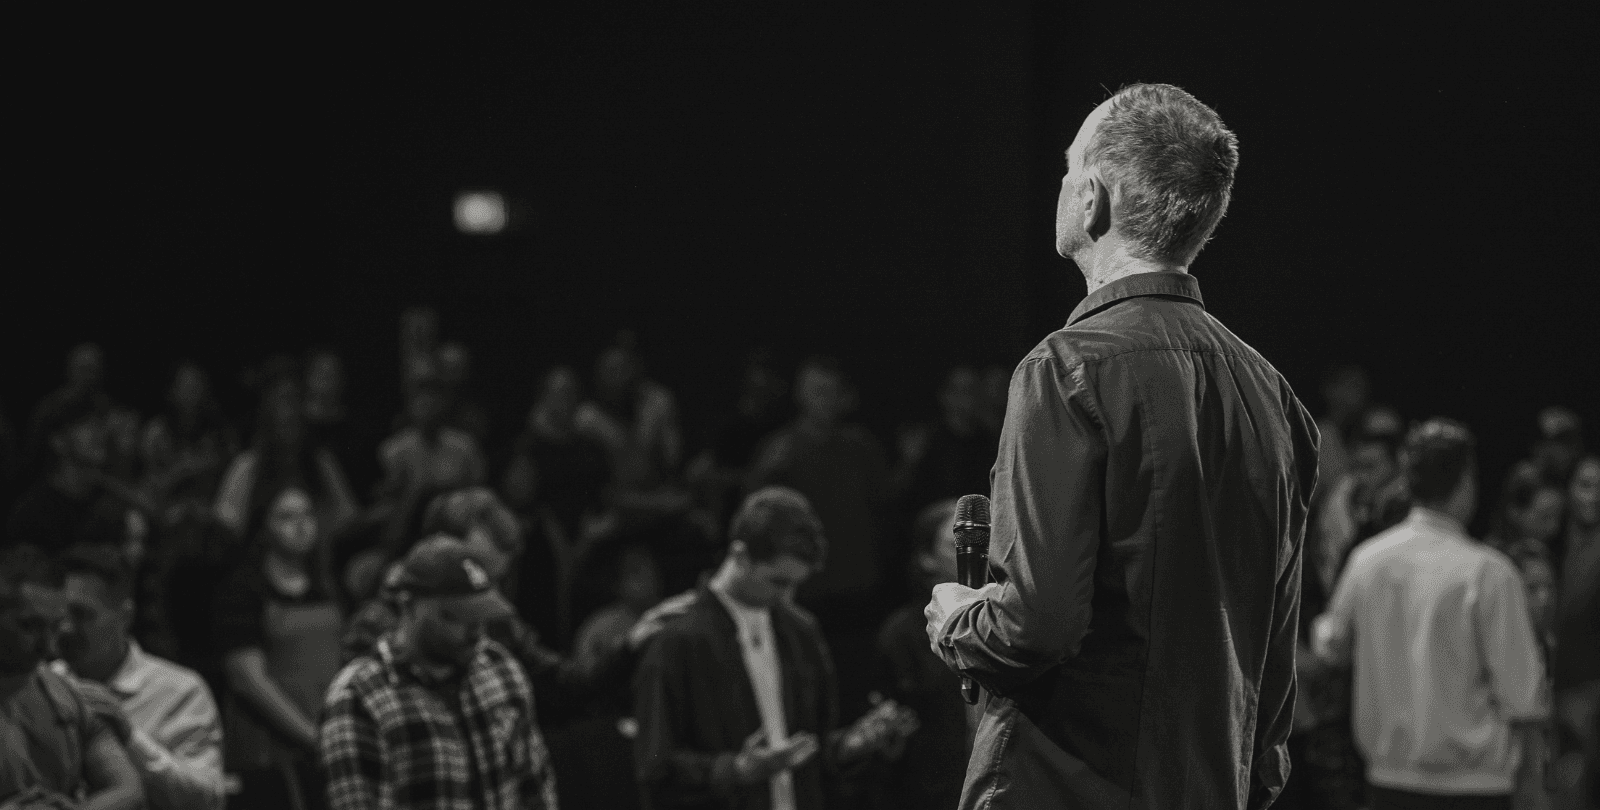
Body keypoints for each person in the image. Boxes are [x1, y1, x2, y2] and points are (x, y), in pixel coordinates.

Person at [922, 83, 1318, 809]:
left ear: (1093, 199)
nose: (1063, 185)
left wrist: (958, 622)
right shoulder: (1275, 396)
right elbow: (1273, 654)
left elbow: (1033, 628)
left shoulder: (1065, 369)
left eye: (1068, 169)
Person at [633, 486, 918, 810]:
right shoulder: (677, 641)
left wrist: (852, 745)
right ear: (740, 556)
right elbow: (653, 767)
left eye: (796, 584)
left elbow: (812, 750)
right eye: (777, 582)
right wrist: (735, 770)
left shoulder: (800, 632)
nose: (788, 597)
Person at [1313, 419, 1549, 809]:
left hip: (1387, 780)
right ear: (1466, 479)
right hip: (1475, 788)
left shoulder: (1368, 561)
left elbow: (1331, 647)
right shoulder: (1489, 572)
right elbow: (1523, 699)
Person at [319, 534, 559, 809]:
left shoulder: (501, 669)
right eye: (455, 616)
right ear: (408, 605)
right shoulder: (359, 698)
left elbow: (536, 788)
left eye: (481, 615)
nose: (476, 631)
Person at [56, 544, 226, 810]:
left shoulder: (180, 689)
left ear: (125, 616)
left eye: (82, 615)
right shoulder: (41, 684)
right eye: (60, 614)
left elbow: (207, 800)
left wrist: (130, 736)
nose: (65, 627)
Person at [213, 485, 343, 810]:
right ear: (264, 527)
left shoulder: (328, 586)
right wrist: (311, 737)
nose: (300, 525)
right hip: (268, 752)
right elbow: (248, 680)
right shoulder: (244, 591)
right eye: (286, 516)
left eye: (307, 515)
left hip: (327, 742)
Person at [1, 544, 144, 810]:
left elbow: (129, 792)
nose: (48, 647)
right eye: (30, 625)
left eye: (54, 626)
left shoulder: (65, 698)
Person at [869, 498, 970, 810]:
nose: (975, 554)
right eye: (957, 544)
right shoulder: (902, 635)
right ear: (926, 559)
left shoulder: (1010, 619)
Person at [214, 375, 359, 543]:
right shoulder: (247, 466)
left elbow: (348, 518)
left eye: (295, 400)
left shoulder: (321, 462)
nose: (290, 412)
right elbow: (225, 526)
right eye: (283, 401)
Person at [140, 361, 239, 508]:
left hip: (208, 510)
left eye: (197, 384)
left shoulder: (222, 434)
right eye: (186, 385)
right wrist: (179, 472)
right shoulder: (155, 432)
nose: (192, 390)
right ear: (171, 392)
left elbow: (230, 480)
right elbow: (150, 483)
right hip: (164, 509)